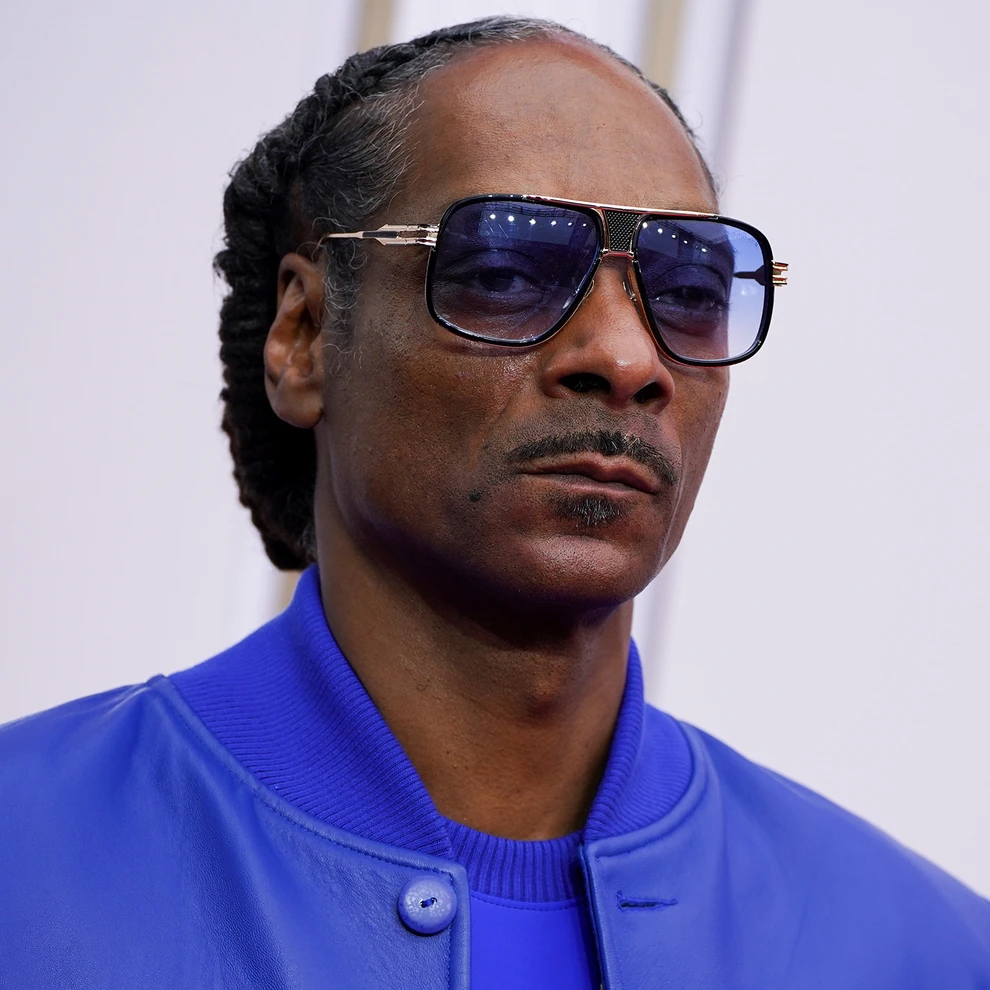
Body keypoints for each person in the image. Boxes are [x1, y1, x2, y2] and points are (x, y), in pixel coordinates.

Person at [0, 15, 986, 989]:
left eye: (689, 290)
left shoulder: (926, 954)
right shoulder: (26, 864)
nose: (627, 357)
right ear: (304, 336)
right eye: (507, 270)